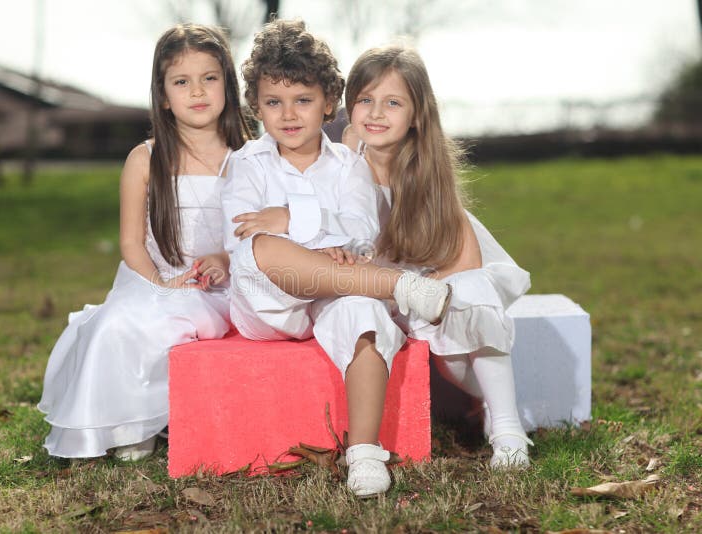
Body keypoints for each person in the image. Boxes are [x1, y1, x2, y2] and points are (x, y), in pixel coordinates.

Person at [237, 43, 534, 477]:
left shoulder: (426, 171)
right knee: (437, 349)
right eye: (365, 101)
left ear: (416, 114)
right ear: (347, 105)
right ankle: (491, 404)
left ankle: (507, 428)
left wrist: (433, 302)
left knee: (469, 311)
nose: (376, 113)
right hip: (370, 286)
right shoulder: (342, 160)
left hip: (431, 284)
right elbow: (337, 244)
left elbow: (465, 262)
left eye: (392, 103)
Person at [221, 19, 451, 498]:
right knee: (259, 249)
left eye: (302, 100)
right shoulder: (245, 163)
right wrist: (309, 230)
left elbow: (362, 232)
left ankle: (364, 453)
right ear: (256, 107)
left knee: (362, 313)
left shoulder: (349, 165)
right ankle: (400, 287)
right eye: (273, 102)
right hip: (271, 303)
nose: (288, 114)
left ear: (329, 103)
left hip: (339, 290)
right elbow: (242, 232)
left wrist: (290, 218)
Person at [37, 23, 249, 460]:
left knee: (179, 321)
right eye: (181, 81)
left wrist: (226, 259)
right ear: (163, 93)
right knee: (117, 326)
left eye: (209, 78)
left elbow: (259, 234)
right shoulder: (145, 159)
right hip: (154, 278)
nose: (197, 91)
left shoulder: (248, 158)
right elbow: (132, 243)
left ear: (227, 83)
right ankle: (130, 421)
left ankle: (160, 417)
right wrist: (160, 284)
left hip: (222, 285)